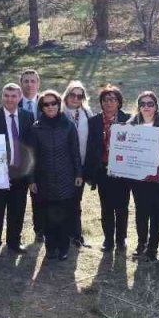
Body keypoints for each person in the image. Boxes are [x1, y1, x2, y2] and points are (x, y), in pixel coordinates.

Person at [24, 89, 83, 261]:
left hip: (66, 176)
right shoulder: (36, 128)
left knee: (64, 214)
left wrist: (78, 173)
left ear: (59, 105)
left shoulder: (68, 125)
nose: (50, 107)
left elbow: (75, 152)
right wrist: (32, 179)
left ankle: (63, 247)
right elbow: (31, 157)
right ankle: (50, 247)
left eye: (53, 103)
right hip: (45, 178)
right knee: (48, 215)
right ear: (41, 108)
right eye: (46, 104)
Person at [0, 83, 35, 257]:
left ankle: (14, 242)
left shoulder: (28, 116)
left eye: (13, 96)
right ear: (2, 96)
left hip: (20, 173)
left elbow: (31, 146)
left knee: (17, 210)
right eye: (6, 95)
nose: (10, 99)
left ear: (19, 98)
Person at [84, 85, 131, 253]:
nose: (109, 103)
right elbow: (90, 147)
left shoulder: (129, 119)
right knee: (106, 206)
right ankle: (108, 240)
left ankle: (121, 239)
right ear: (101, 103)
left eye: (113, 99)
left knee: (122, 206)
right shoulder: (94, 121)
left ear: (119, 102)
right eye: (105, 100)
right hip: (103, 170)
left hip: (124, 170)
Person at [128, 90, 159, 262]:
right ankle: (141, 243)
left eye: (150, 104)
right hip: (138, 177)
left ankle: (152, 247)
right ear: (138, 107)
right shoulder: (130, 124)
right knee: (141, 211)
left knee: (157, 212)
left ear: (156, 106)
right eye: (142, 104)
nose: (146, 107)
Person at [62, 80, 93, 247]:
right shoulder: (59, 112)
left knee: (76, 201)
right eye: (72, 94)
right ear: (66, 96)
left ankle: (76, 234)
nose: (75, 98)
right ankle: (63, 234)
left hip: (80, 166)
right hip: (62, 166)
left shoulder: (87, 113)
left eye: (79, 95)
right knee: (64, 200)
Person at [18, 70, 44, 245]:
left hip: (41, 160)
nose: (29, 84)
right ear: (21, 83)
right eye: (25, 81)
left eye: (32, 81)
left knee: (40, 198)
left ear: (38, 84)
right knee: (18, 201)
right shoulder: (12, 101)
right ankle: (15, 236)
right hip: (19, 161)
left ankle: (40, 230)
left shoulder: (47, 102)